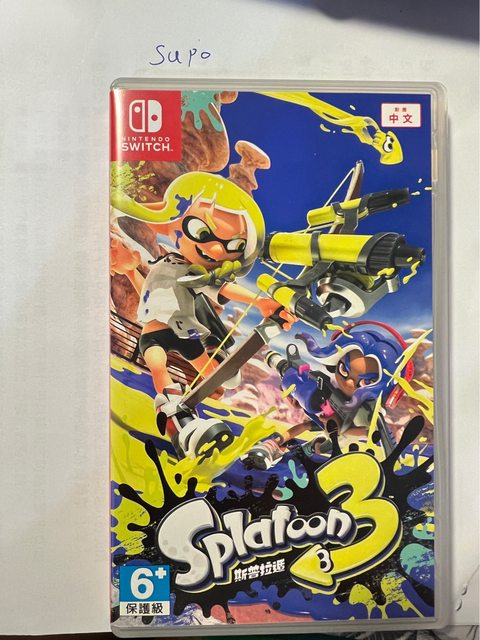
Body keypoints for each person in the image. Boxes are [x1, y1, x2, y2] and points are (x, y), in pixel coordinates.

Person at [111, 171, 295, 459]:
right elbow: (149, 293)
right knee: (158, 366)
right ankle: (180, 423)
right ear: (175, 226)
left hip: (184, 331)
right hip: (154, 332)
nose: (216, 249)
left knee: (215, 376)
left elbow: (220, 287)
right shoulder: (161, 264)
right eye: (202, 232)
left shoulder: (192, 274)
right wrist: (130, 268)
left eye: (232, 247)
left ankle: (216, 378)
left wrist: (259, 302)